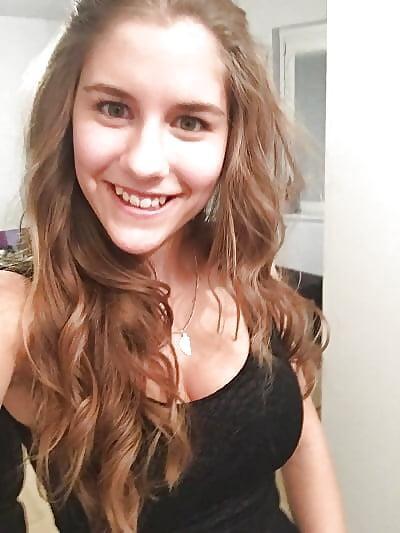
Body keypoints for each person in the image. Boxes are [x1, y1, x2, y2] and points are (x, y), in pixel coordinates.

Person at [0, 1, 346, 532]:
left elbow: (303, 445)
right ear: (65, 115)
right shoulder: (16, 312)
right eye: (113, 108)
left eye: (189, 121)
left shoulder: (247, 269)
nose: (145, 162)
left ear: (231, 140)